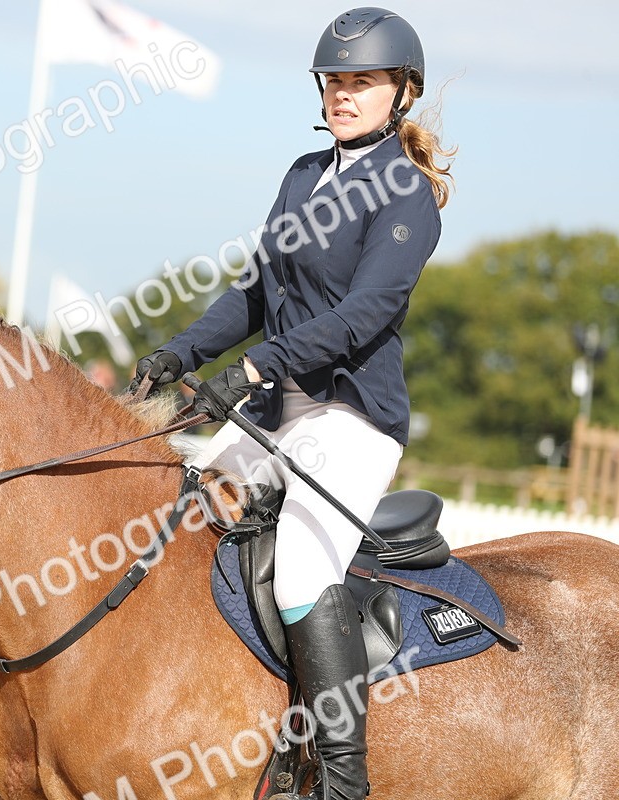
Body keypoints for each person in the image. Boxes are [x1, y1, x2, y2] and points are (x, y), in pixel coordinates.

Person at [130, 9, 452, 800]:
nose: (343, 94)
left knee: (303, 571)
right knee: (178, 523)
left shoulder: (406, 194)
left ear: (402, 93)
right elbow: (254, 292)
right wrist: (182, 353)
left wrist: (255, 367)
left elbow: (365, 314)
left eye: (362, 82)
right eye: (334, 81)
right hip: (276, 411)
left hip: (352, 418)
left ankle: (341, 776)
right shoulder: (304, 175)